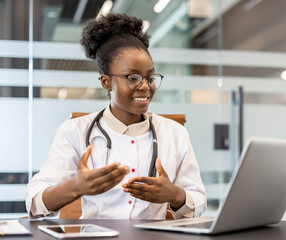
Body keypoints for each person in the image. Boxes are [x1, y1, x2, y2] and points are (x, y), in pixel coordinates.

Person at [26, 13, 206, 219]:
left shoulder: (175, 133)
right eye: (133, 78)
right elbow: (34, 202)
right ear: (106, 82)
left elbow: (198, 200)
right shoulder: (74, 131)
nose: (145, 86)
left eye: (150, 77)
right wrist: (75, 187)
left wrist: (175, 195)